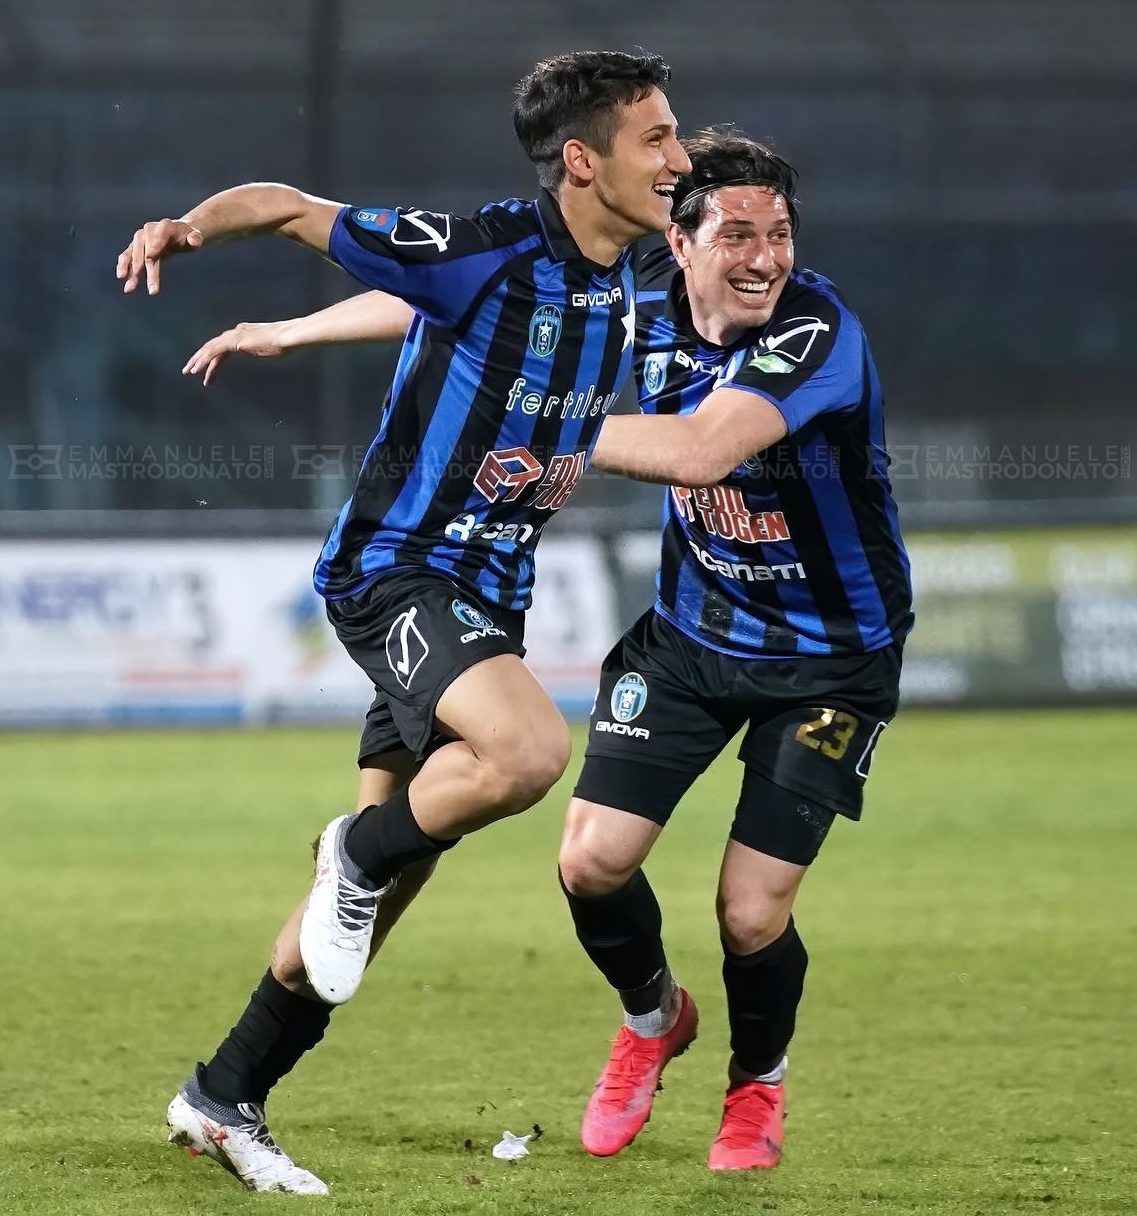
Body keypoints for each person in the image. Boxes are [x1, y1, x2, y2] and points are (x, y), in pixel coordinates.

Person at [184, 128, 913, 1172]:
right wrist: (296, 332)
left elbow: (700, 448)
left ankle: (755, 1085)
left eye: (780, 234)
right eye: (738, 235)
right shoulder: (636, 294)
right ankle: (653, 1018)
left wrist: (535, 422)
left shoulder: (815, 330)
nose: (765, 258)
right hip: (689, 637)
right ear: (680, 241)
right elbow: (459, 307)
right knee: (587, 862)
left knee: (750, 912)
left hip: (830, 659)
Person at [115, 50, 690, 1194]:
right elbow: (289, 206)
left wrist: (293, 333)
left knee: (373, 906)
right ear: (583, 162)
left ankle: (223, 1096)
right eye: (657, 138)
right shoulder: (483, 245)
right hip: (397, 571)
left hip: (490, 594)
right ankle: (354, 849)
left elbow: (430, 309)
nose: (677, 158)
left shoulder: (627, 270)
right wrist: (189, 228)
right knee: (524, 753)